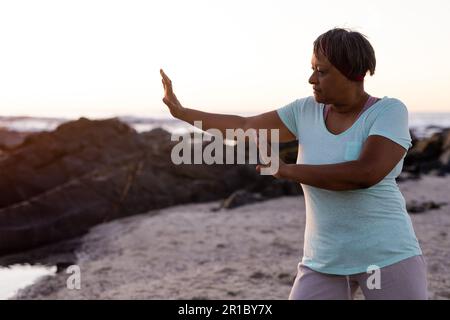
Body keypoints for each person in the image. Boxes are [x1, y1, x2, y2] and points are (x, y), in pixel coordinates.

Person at [160, 28, 428, 300]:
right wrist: (183, 113)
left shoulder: (388, 111)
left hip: (385, 256)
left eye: (322, 71)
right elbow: (244, 126)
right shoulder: (304, 111)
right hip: (324, 261)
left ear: (353, 74)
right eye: (313, 69)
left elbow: (365, 174)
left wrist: (286, 170)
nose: (312, 79)